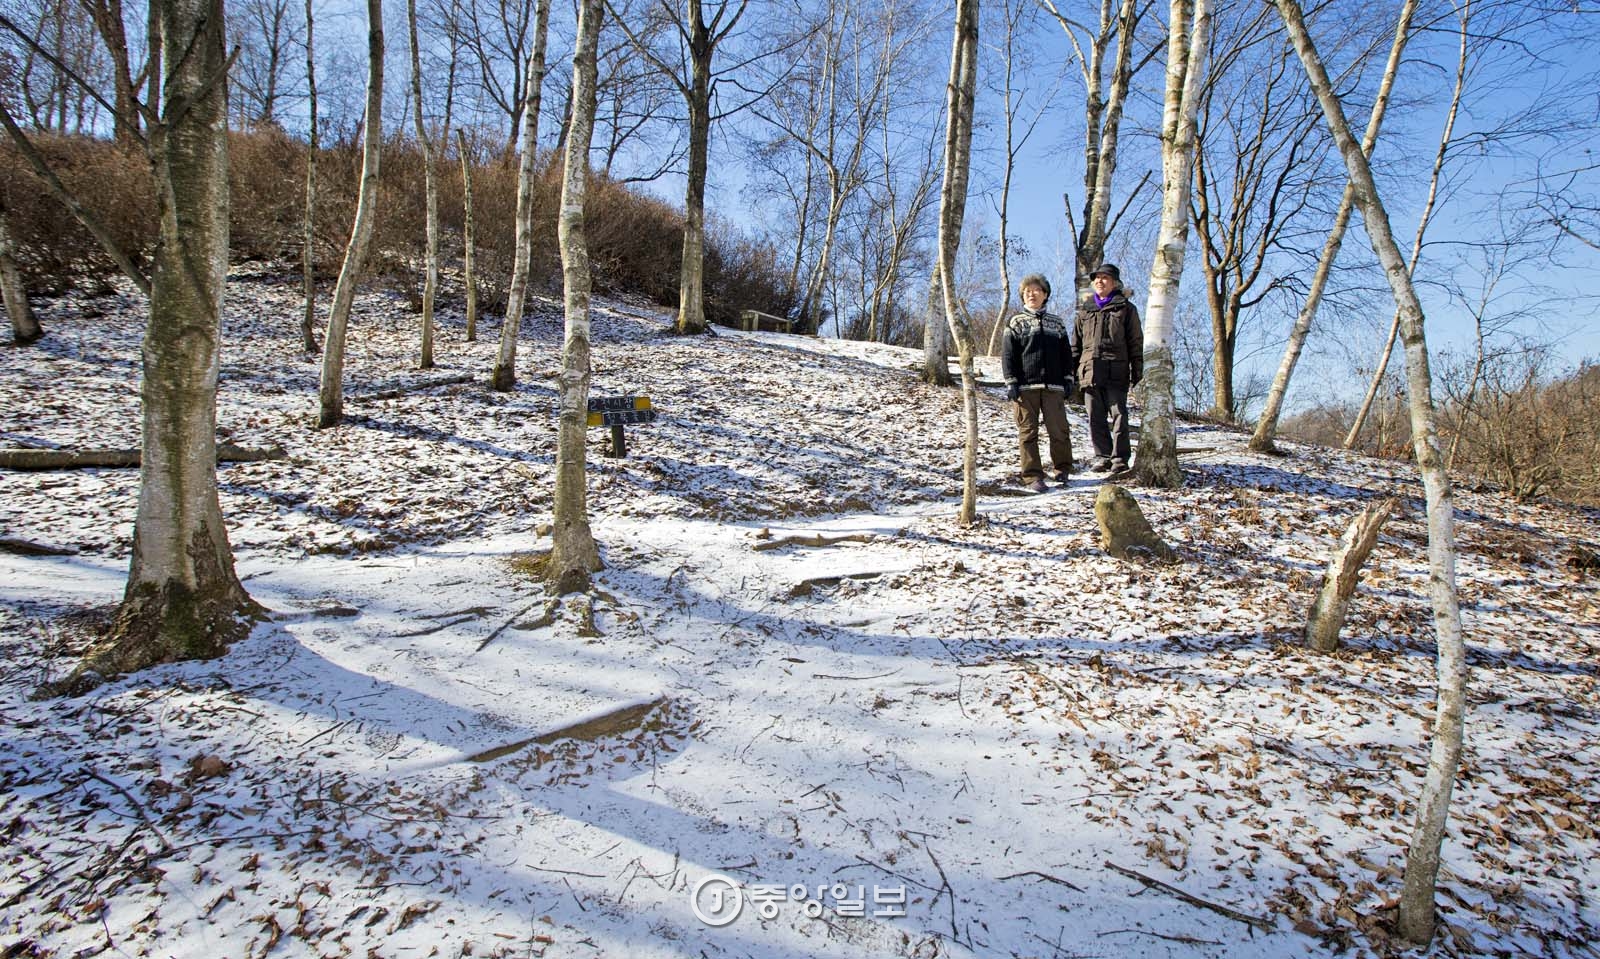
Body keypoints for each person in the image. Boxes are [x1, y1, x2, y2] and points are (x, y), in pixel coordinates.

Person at [1001, 273, 1076, 493]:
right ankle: (1032, 475)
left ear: (1045, 294)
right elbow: (1008, 355)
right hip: (1025, 388)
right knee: (1028, 433)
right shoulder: (1016, 322)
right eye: (1027, 292)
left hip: (1053, 387)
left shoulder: (1057, 323)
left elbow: (1066, 354)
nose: (1031, 294)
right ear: (1022, 296)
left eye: (1036, 290)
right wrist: (1011, 382)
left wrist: (1068, 379)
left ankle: (1062, 469)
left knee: (1059, 430)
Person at [1074, 263, 1142, 475]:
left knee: (1119, 415)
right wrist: (1071, 372)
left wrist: (1138, 371)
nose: (1099, 281)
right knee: (1095, 416)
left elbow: (1135, 341)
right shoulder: (1085, 311)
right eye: (1096, 279)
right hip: (1089, 371)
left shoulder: (1126, 309)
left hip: (1116, 371)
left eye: (1105, 278)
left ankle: (1120, 458)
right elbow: (1075, 345)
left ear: (1115, 283)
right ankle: (1102, 456)